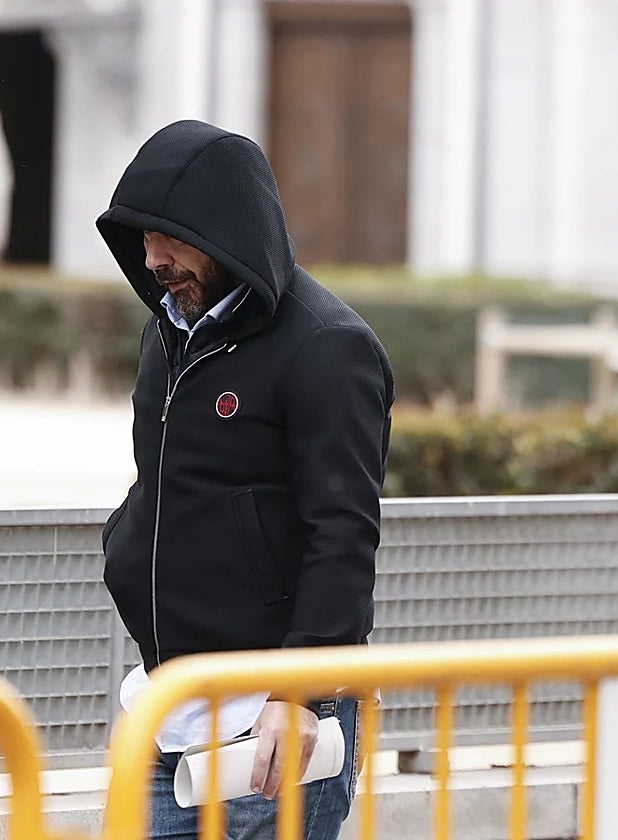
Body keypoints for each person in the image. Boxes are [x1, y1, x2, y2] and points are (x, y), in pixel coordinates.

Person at [97, 120, 395, 839]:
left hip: (272, 730)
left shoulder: (327, 347)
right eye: (142, 237)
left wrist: (301, 694)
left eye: (170, 236)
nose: (153, 258)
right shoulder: (169, 331)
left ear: (226, 229)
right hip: (167, 711)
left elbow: (343, 533)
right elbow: (161, 486)